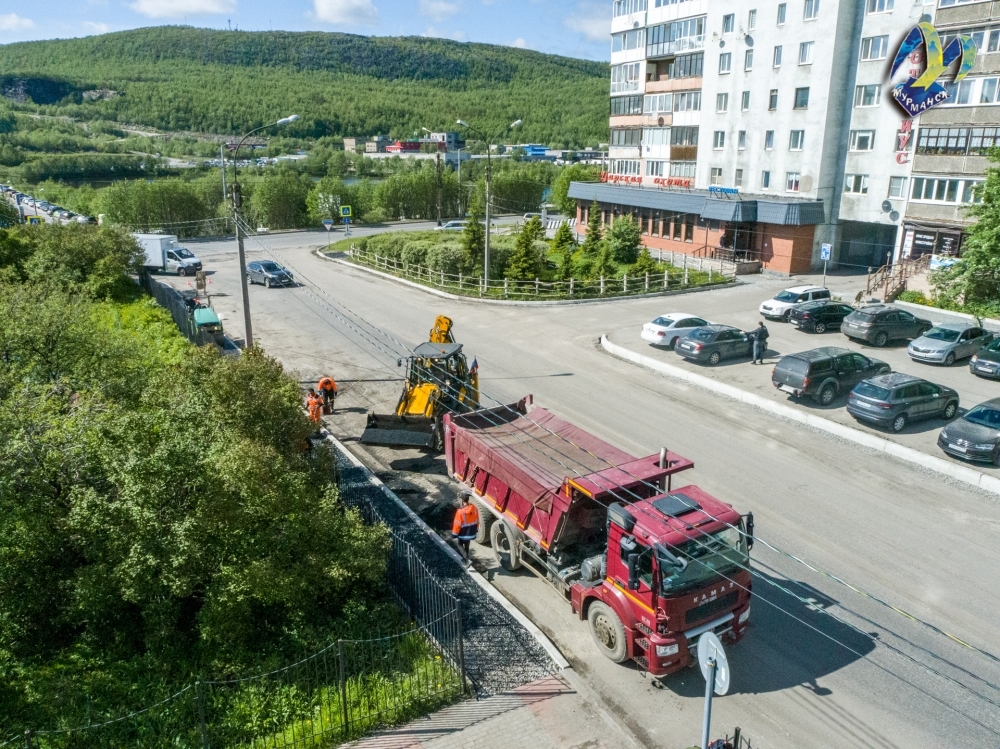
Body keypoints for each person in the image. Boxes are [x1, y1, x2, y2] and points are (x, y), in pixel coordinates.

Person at [451, 491, 480, 567]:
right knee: (466, 546)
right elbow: (477, 520)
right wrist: (476, 529)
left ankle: (467, 559)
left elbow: (457, 524)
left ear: (462, 500)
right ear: (468, 499)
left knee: (459, 544)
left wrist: (454, 534)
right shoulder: (474, 508)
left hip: (463, 533)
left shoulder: (460, 512)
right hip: (471, 532)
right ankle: (465, 560)